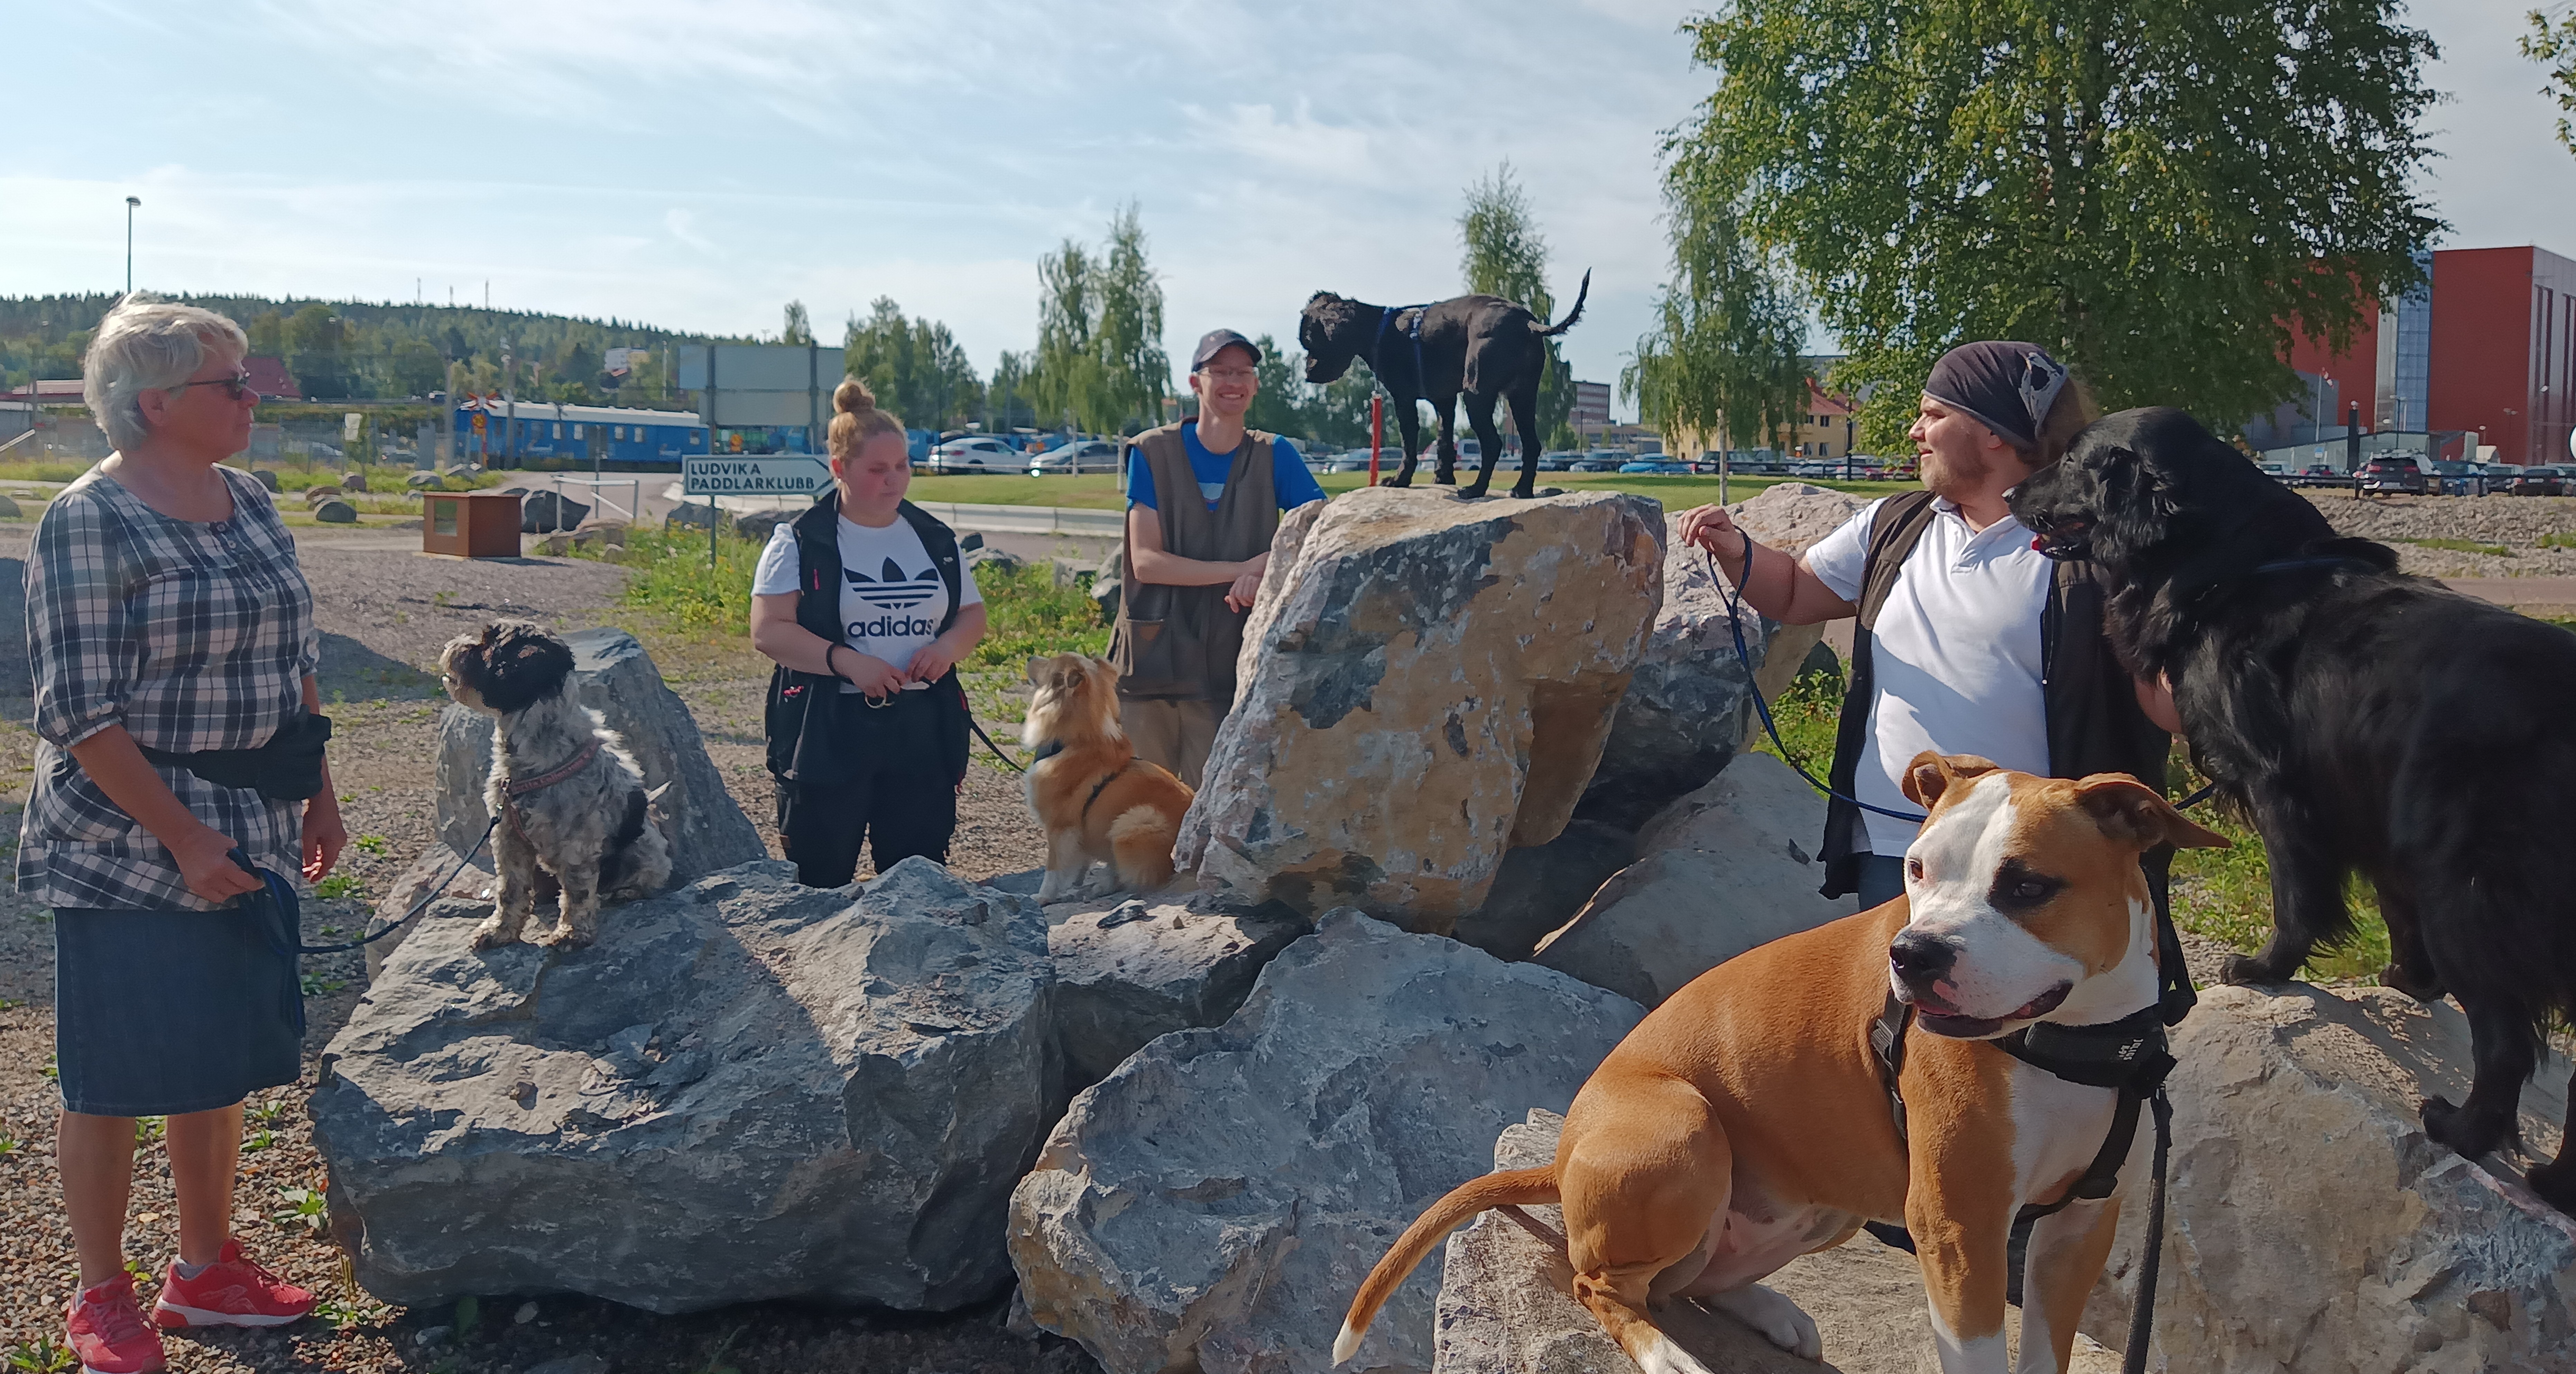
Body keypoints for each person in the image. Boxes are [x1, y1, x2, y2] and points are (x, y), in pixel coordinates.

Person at [27, 298, 337, 1368]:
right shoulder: (88, 518)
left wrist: (320, 791)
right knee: (114, 1075)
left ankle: (203, 1272)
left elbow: (296, 653)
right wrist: (185, 840)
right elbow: (80, 713)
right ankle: (100, 1296)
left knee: (217, 1062)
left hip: (252, 820)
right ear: (154, 402)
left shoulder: (249, 498)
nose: (253, 398)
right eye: (230, 384)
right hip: (126, 839)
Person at [1679, 340, 2172, 919]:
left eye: (1933, 414)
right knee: (1898, 984)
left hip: (2035, 866)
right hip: (1900, 849)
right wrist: (1736, 550)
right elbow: (1793, 592)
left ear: (1994, 432)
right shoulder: (1896, 524)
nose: (1915, 431)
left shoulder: (2099, 545)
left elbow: (2165, 703)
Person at [751, 378, 988, 887]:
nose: (894, 480)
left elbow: (972, 615)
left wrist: (946, 648)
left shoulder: (934, 538)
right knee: (819, 879)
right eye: (877, 470)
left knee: (919, 879)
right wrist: (849, 663)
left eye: (902, 466)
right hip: (826, 730)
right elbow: (769, 630)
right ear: (839, 468)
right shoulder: (799, 540)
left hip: (922, 728)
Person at [1114, 329, 1328, 787]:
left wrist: (1267, 572)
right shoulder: (1151, 452)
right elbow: (1147, 562)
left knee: (1211, 802)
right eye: (1221, 372)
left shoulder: (1276, 455)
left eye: (1243, 372)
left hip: (1228, 666)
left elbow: (1322, 536)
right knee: (1139, 803)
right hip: (1152, 661)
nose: (1233, 382)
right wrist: (1243, 570)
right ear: (1196, 382)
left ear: (1255, 384)